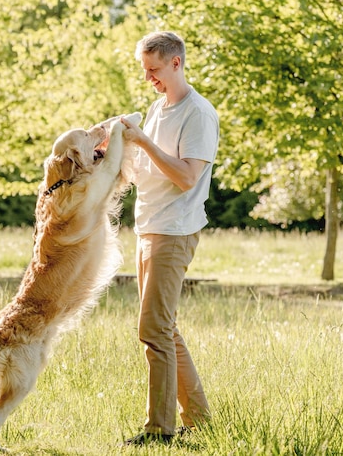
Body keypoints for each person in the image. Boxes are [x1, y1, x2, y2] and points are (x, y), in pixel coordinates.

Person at [120, 31, 219, 446]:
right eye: (145, 71)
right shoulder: (158, 109)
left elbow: (185, 176)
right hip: (149, 228)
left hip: (174, 230)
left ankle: (159, 432)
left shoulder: (198, 114)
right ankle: (200, 421)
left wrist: (141, 140)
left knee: (154, 331)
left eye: (154, 70)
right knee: (165, 329)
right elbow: (146, 173)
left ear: (176, 63)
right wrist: (112, 153)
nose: (149, 79)